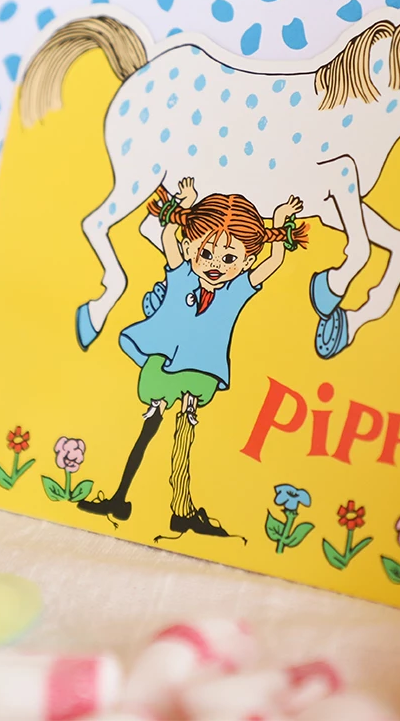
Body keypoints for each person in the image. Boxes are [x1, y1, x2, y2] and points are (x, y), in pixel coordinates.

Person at [78, 178, 307, 537]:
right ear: (190, 249)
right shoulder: (182, 274)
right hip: (165, 362)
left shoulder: (237, 289)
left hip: (200, 370)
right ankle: (120, 498)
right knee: (148, 427)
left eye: (229, 259)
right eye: (206, 254)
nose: (216, 265)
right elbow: (169, 234)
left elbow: (275, 259)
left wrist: (279, 222)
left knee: (184, 432)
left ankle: (180, 509)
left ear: (246, 261)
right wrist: (186, 201)